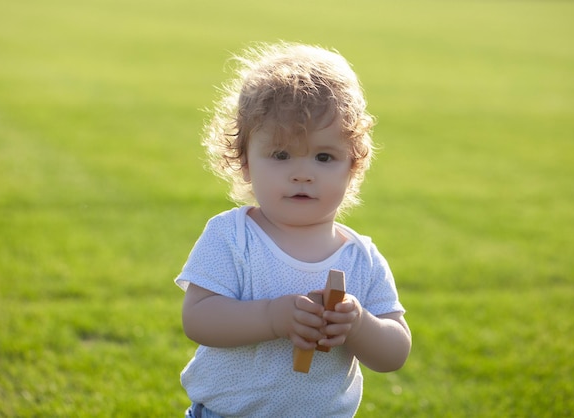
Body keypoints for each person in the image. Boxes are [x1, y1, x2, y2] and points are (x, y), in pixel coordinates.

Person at [176, 41, 411, 417]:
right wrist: (272, 317)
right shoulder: (233, 236)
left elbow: (395, 352)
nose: (302, 173)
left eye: (324, 157)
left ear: (353, 167)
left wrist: (358, 324)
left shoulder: (360, 257)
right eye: (281, 155)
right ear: (245, 163)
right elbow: (199, 318)